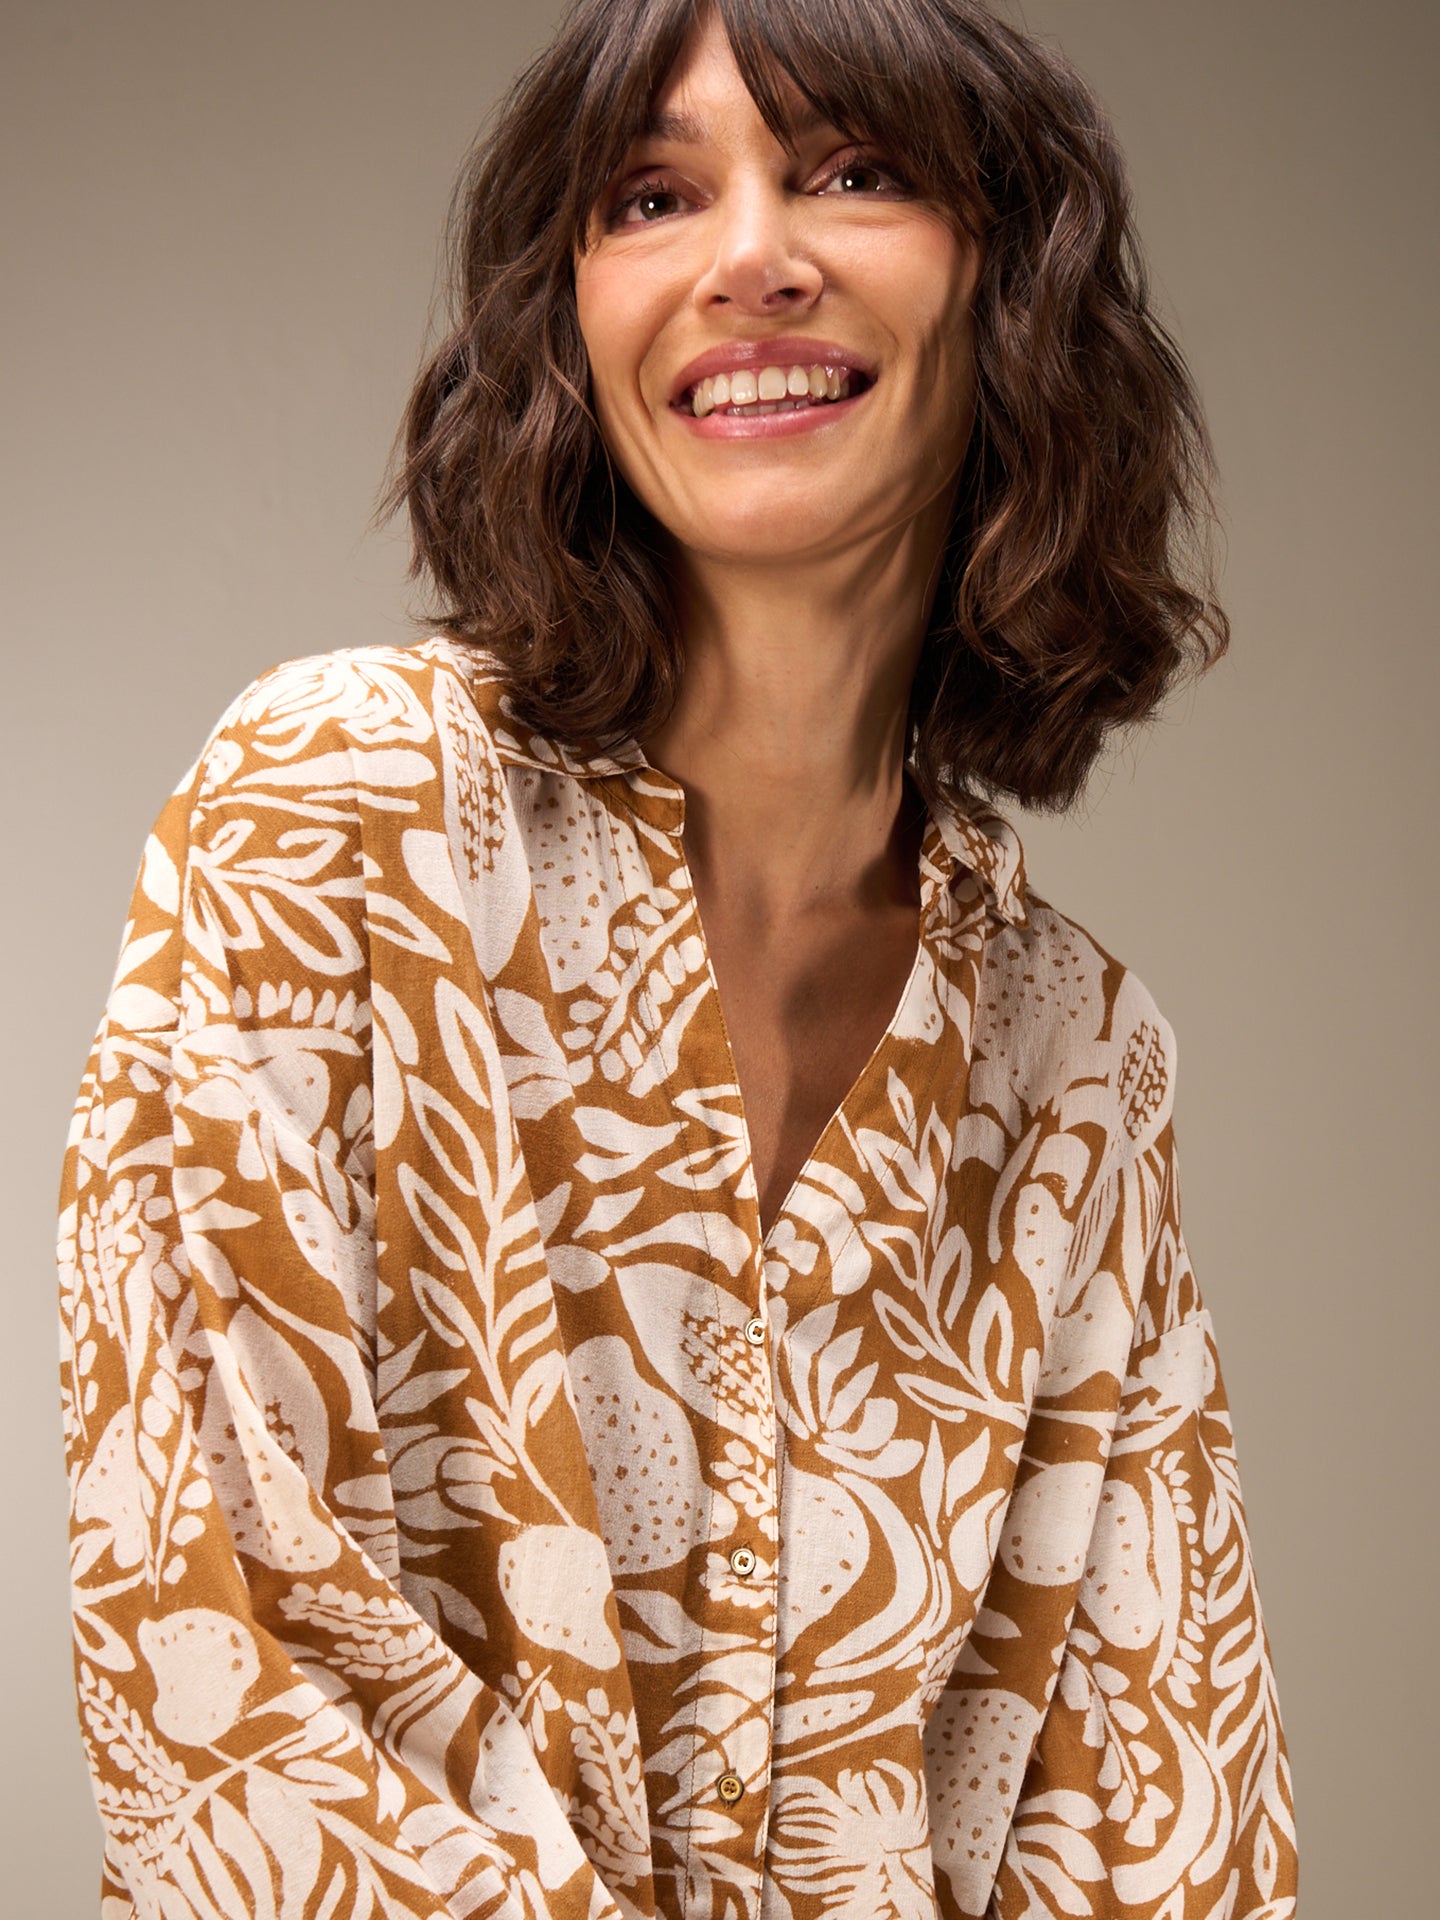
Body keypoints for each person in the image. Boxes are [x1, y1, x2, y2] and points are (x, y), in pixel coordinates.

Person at [57, 1, 1297, 1915]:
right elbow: (215, 1657)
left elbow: (1156, 1807)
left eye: (854, 172)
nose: (751, 258)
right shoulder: (333, 814)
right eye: (652, 194)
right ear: (570, 322)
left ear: (1013, 289)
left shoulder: (1073, 1052)